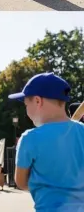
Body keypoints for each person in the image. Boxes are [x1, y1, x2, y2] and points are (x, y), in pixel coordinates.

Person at [8, 73, 84, 211]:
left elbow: (21, 182)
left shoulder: (29, 138)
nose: (26, 111)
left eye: (26, 104)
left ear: (38, 101)